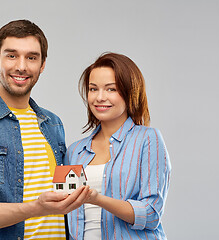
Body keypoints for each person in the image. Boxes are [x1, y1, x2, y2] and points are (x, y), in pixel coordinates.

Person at [0, 19, 91, 240]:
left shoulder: (53, 124)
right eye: (11, 55)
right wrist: (36, 208)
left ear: (42, 65)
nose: (21, 66)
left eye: (31, 57)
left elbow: (67, 194)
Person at [65, 52, 171, 239]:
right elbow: (69, 215)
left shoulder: (148, 139)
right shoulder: (75, 151)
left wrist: (97, 199)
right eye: (93, 89)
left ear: (129, 91)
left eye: (111, 89)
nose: (99, 97)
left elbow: (151, 214)